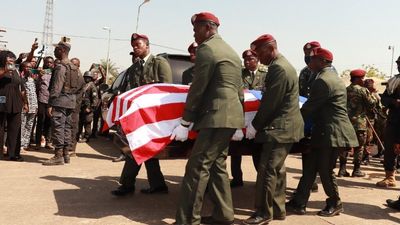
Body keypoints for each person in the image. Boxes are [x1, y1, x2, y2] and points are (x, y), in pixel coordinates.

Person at [172, 12, 244, 225]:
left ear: (208, 28)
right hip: (230, 116)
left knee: (197, 168)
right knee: (216, 165)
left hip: (215, 116)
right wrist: (238, 120)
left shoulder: (207, 49)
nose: (194, 34)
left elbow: (198, 88)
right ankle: (224, 215)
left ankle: (187, 220)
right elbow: (239, 90)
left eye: (196, 29)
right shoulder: (231, 51)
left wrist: (185, 121)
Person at [286, 47, 358, 217]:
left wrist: (289, 120)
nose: (309, 62)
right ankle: (299, 202)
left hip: (332, 132)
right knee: (310, 166)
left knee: (325, 170)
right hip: (325, 130)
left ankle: (335, 202)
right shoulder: (331, 77)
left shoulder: (323, 81)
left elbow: (309, 108)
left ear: (323, 62)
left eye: (313, 59)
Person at [242, 34, 304, 225]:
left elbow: (271, 103)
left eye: (260, 52)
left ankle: (263, 213)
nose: (258, 57)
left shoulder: (278, 68)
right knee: (277, 170)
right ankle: (278, 209)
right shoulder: (282, 65)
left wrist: (254, 125)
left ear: (270, 48)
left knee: (267, 170)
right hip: (285, 127)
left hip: (279, 128)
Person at [111, 33, 171, 196]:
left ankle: (129, 184)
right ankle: (155, 185)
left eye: (138, 45)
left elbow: (167, 90)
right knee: (139, 147)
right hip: (139, 115)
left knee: (138, 148)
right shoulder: (134, 68)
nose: (135, 48)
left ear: (147, 45)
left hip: (155, 116)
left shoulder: (159, 63)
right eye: (133, 46)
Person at [229, 49, 266, 188]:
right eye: (245, 60)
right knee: (235, 149)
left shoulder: (265, 75)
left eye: (250, 59)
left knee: (257, 151)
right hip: (242, 116)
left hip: (257, 118)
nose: (247, 62)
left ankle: (261, 179)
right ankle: (237, 178)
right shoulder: (240, 74)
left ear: (257, 60)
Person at [42, 38, 79, 166]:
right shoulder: (74, 67)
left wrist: (50, 103)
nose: (54, 51)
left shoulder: (61, 67)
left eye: (56, 49)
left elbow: (56, 87)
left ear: (62, 50)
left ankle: (58, 156)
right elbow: (80, 86)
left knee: (58, 127)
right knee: (67, 128)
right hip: (71, 101)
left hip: (59, 102)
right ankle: (66, 155)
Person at [338, 69, 376, 177]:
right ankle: (356, 170)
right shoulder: (363, 90)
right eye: (362, 78)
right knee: (359, 147)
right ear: (358, 79)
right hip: (359, 124)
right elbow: (372, 104)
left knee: (344, 146)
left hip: (346, 123)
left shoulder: (345, 90)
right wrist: (372, 92)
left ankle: (342, 169)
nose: (363, 80)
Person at [294, 41, 321, 194]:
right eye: (306, 54)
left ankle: (312, 180)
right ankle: (308, 180)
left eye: (311, 53)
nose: (308, 56)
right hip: (306, 116)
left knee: (316, 151)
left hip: (318, 116)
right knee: (306, 149)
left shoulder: (327, 71)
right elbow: (300, 93)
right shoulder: (304, 72)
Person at [376, 56, 400, 188]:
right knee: (390, 150)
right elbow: (384, 98)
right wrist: (393, 102)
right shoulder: (394, 81)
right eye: (397, 63)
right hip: (394, 121)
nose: (398, 66)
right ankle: (390, 177)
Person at [0, 50, 28, 161]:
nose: (11, 59)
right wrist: (5, 71)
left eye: (13, 58)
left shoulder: (15, 70)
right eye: (9, 57)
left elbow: (21, 88)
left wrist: (25, 102)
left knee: (15, 129)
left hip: (16, 102)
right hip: (1, 100)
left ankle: (13, 154)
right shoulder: (3, 69)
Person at [35, 56, 55, 150]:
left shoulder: (55, 73)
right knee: (40, 121)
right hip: (41, 99)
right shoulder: (40, 72)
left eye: (50, 62)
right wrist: (39, 76)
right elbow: (36, 85)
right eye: (47, 62)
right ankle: (37, 142)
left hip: (51, 101)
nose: (49, 64)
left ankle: (48, 141)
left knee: (50, 121)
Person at [66, 57, 84, 157]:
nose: (72, 66)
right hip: (70, 105)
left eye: (74, 64)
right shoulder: (72, 75)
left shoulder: (79, 77)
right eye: (71, 64)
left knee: (73, 127)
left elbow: (72, 91)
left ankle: (71, 149)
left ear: (78, 66)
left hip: (74, 106)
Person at [20, 61, 38, 151]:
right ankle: (20, 146)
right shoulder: (21, 79)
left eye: (30, 67)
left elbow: (34, 93)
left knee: (29, 125)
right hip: (24, 106)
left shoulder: (32, 79)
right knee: (22, 125)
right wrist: (25, 104)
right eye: (27, 67)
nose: (29, 68)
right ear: (23, 68)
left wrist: (36, 106)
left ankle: (25, 144)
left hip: (33, 106)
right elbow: (22, 93)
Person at [78, 71, 99, 143]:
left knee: (87, 123)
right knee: (79, 122)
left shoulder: (92, 86)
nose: (86, 79)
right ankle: (78, 135)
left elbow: (95, 99)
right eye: (85, 77)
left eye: (88, 77)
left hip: (88, 107)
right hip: (81, 106)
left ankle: (87, 137)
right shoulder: (83, 85)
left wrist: (90, 108)